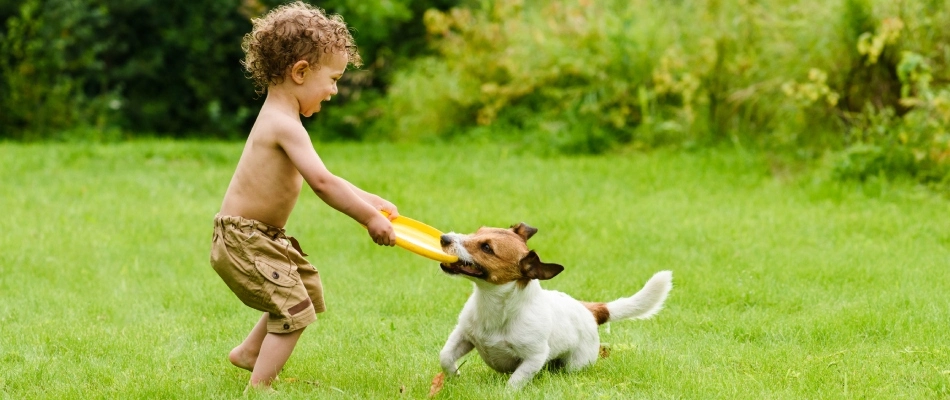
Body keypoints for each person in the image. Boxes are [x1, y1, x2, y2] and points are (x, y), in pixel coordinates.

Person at [209, 1, 397, 391]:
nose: (334, 89)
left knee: (306, 287)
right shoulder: (284, 125)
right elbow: (323, 185)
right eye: (333, 78)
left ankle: (248, 353)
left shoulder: (283, 119)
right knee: (293, 307)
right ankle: (259, 387)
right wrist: (369, 219)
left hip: (260, 236)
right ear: (300, 72)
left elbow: (327, 177)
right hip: (245, 238)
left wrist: (369, 199)